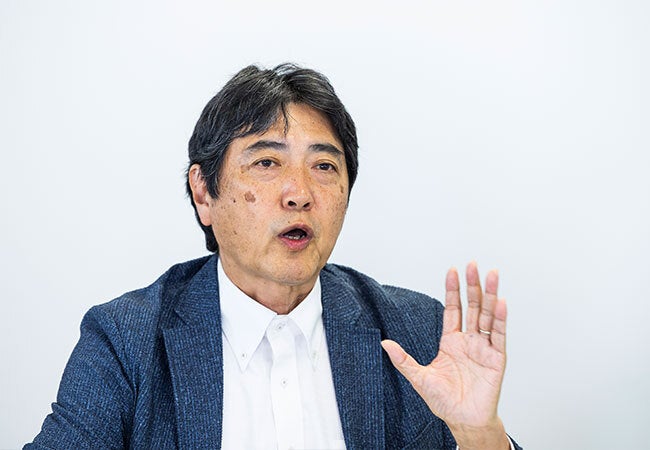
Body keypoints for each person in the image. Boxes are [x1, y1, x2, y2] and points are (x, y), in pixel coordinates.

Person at [26, 64, 521, 450]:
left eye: (324, 166)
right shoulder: (126, 340)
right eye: (267, 162)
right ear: (204, 192)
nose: (299, 193)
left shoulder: (416, 331)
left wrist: (480, 437)